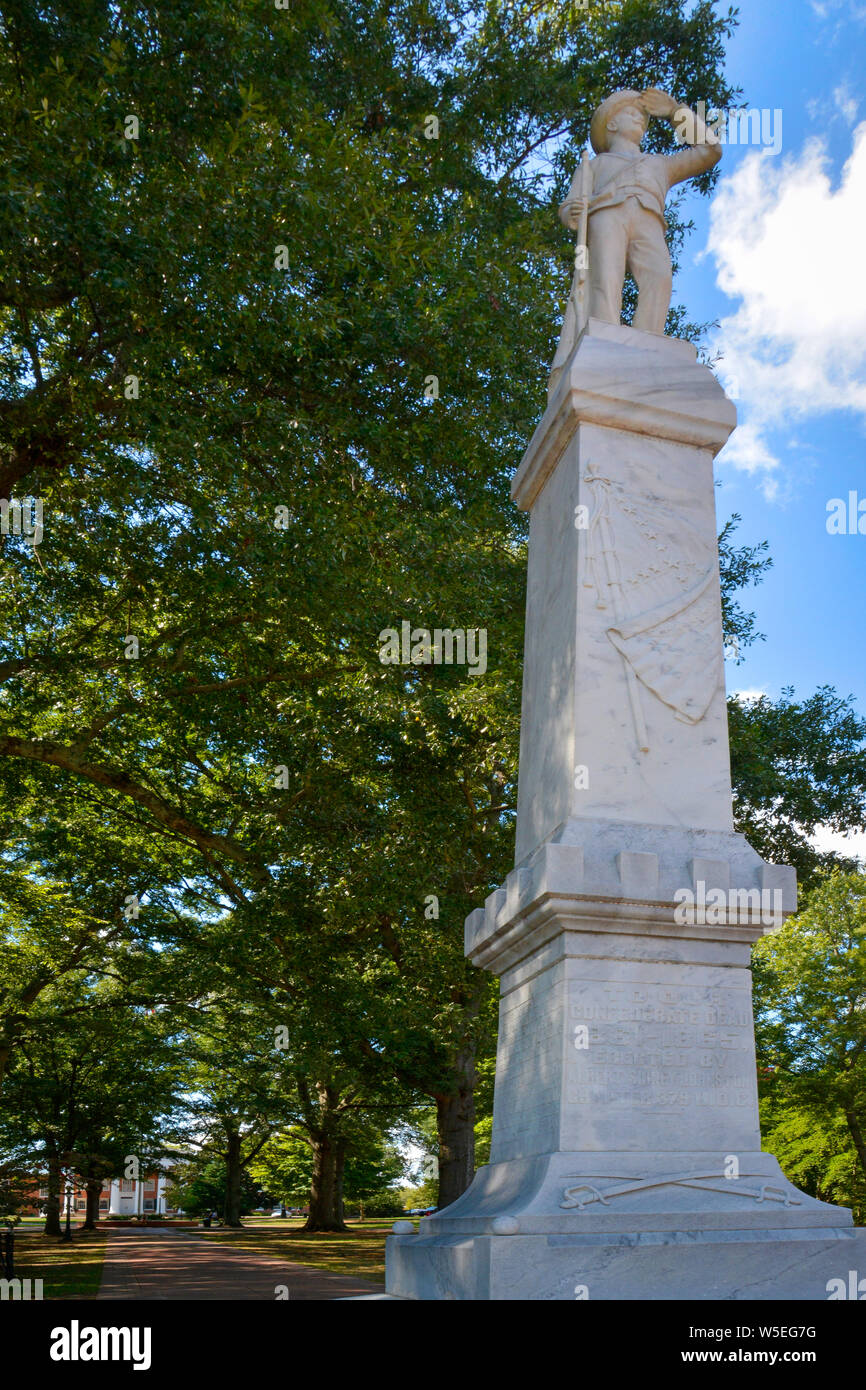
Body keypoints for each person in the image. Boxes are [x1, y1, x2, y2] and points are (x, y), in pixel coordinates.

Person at [548, 88, 721, 397]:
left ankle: (647, 345)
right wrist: (570, 212)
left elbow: (710, 150)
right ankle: (604, 347)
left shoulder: (660, 164)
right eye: (631, 113)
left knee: (659, 277)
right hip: (606, 216)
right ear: (611, 125)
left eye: (642, 115)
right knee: (606, 281)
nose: (639, 119)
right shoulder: (593, 165)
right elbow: (569, 206)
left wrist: (675, 111)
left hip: (649, 220)